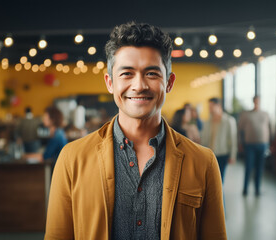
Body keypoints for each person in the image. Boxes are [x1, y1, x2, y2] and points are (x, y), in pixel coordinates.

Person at [45, 22, 226, 239]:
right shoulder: (72, 159)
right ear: (110, 82)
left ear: (169, 82)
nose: (139, 85)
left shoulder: (203, 163)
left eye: (151, 73)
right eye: (127, 74)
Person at [238, 95, 273, 196]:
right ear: (253, 101)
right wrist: (240, 142)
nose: (257, 103)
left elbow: (271, 129)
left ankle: (257, 189)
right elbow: (240, 129)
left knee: (259, 168)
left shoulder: (265, 114)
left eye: (258, 101)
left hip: (262, 144)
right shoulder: (246, 114)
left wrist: (271, 143)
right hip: (249, 145)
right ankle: (245, 189)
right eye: (255, 101)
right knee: (248, 167)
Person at [201, 97, 237, 184]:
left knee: (219, 181)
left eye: (211, 106)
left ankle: (220, 197)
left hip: (222, 154)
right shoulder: (207, 121)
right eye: (209, 107)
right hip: (209, 155)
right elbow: (204, 138)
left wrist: (232, 155)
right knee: (210, 181)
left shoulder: (229, 121)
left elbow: (233, 139)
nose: (210, 109)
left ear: (219, 106)